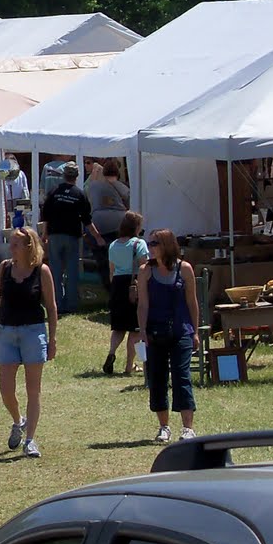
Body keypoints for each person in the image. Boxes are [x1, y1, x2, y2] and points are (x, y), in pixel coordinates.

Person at [0, 226, 58, 459]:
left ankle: (31, 440)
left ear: (28, 246)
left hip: (33, 332)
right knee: (6, 389)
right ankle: (18, 420)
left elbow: (52, 308)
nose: (10, 248)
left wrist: (52, 340)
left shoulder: (41, 271)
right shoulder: (4, 269)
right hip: (6, 332)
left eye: (15, 244)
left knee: (33, 390)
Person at [136, 229, 200, 444]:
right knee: (157, 378)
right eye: (150, 243)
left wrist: (196, 331)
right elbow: (143, 304)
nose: (150, 247)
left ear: (166, 245)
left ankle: (188, 428)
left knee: (182, 377)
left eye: (154, 243)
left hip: (181, 330)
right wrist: (142, 330)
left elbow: (192, 302)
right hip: (155, 332)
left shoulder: (185, 269)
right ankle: (164, 427)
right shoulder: (145, 271)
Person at [40, 161, 103, 314]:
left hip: (55, 236)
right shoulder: (79, 194)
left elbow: (45, 215)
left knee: (55, 271)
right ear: (76, 176)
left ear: (64, 175)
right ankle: (71, 304)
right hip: (73, 237)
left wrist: (44, 234)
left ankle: (57, 304)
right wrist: (98, 237)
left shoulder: (54, 192)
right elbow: (87, 220)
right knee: (72, 271)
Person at [104, 210, 148, 376]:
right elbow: (144, 267)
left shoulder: (113, 245)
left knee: (118, 327)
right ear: (136, 227)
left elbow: (111, 270)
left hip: (117, 285)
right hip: (133, 286)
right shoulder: (139, 244)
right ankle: (129, 365)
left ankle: (112, 352)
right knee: (135, 328)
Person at [86, 159, 131, 281]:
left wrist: (96, 169)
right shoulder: (123, 187)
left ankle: (107, 282)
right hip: (118, 224)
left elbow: (88, 193)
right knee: (119, 257)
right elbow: (129, 203)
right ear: (117, 172)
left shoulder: (94, 185)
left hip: (98, 224)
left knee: (101, 258)